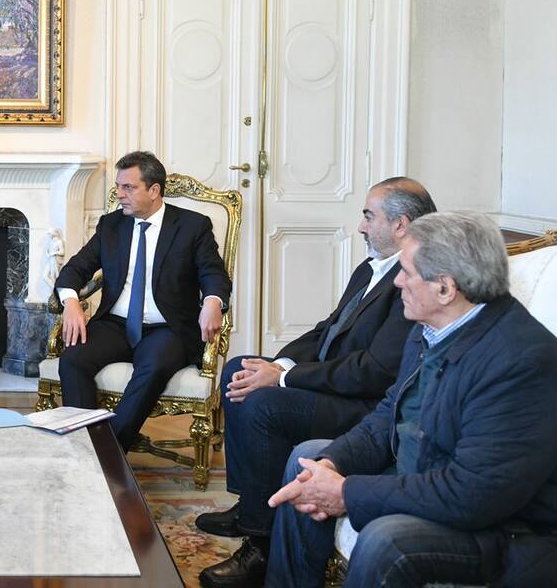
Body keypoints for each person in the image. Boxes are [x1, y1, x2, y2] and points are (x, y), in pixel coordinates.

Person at [264, 211, 557, 588]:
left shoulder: (521, 360)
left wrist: (345, 492)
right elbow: (389, 414)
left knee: (387, 541)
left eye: (406, 271)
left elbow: (473, 494)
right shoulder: (431, 327)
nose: (397, 282)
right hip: (423, 474)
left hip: (503, 527)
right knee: (307, 459)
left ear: (445, 288)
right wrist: (332, 464)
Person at [198, 177, 436, 588]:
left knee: (261, 404)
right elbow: (329, 330)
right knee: (241, 366)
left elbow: (374, 371)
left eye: (368, 216)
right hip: (332, 383)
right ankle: (251, 504)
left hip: (362, 403)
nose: (361, 226)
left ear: (402, 224)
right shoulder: (371, 268)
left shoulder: (414, 280)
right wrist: (277, 362)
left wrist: (285, 376)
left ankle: (260, 544)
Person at [56, 151, 231, 448]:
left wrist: (213, 301)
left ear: (154, 191)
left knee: (153, 367)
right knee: (73, 359)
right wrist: (71, 301)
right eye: (118, 187)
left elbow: (213, 273)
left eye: (128, 187)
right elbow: (76, 268)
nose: (119, 194)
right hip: (115, 323)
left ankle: (109, 452)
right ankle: (84, 445)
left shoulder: (192, 226)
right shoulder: (111, 225)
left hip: (168, 327)